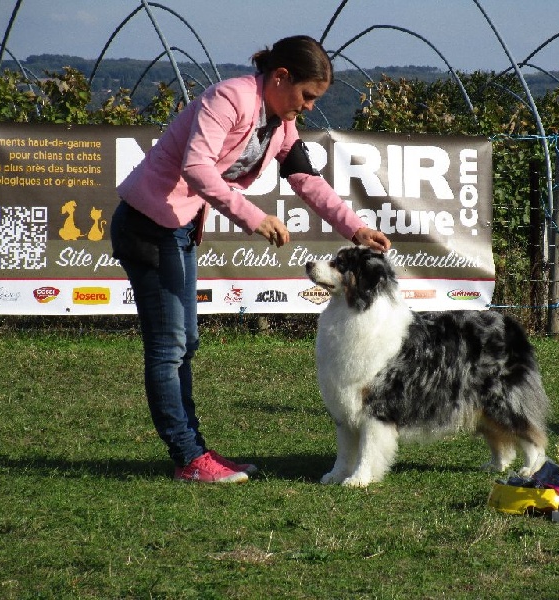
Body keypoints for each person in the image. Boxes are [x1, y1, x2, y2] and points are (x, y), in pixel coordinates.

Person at [110, 35, 391, 484]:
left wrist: (353, 227)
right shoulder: (230, 98)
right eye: (307, 95)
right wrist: (254, 217)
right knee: (170, 348)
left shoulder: (280, 120)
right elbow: (196, 167)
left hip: (176, 228)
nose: (311, 107)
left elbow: (305, 178)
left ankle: (195, 451)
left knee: (186, 342)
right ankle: (188, 456)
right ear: (280, 77)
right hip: (147, 226)